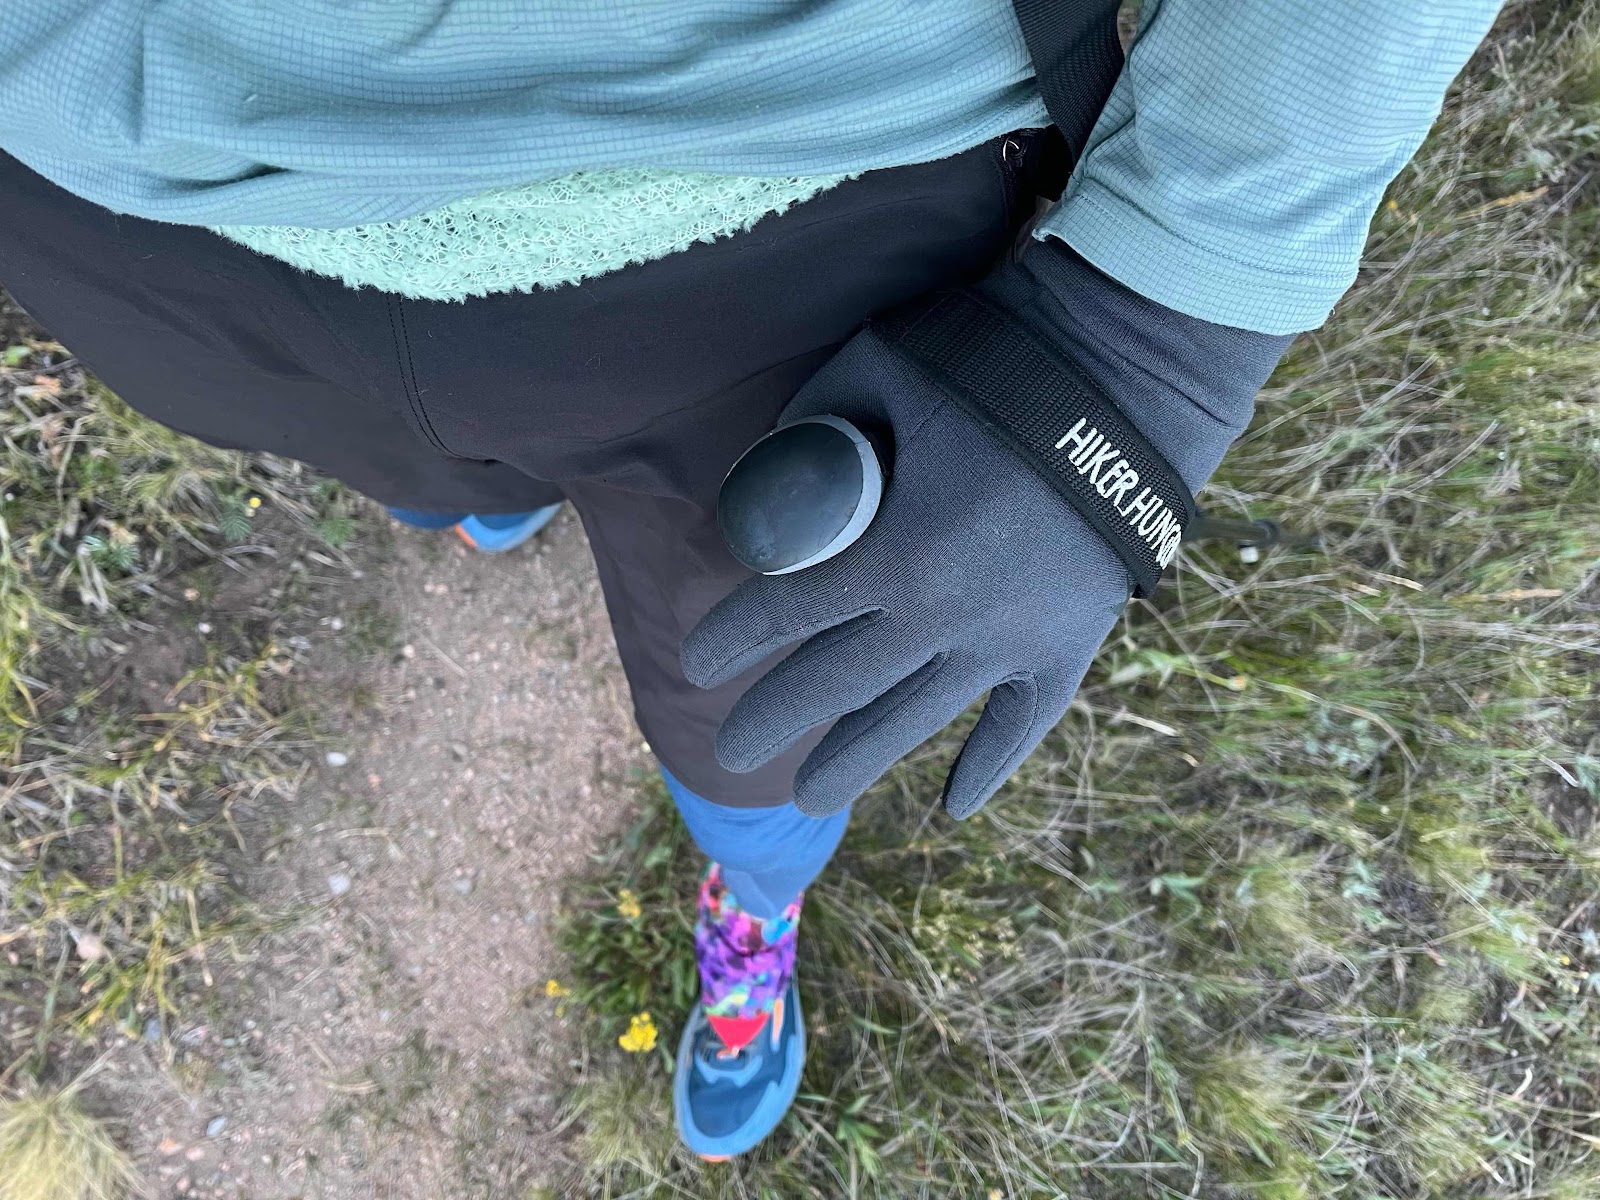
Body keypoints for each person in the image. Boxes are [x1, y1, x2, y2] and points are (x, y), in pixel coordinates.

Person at [0, 0, 1500, 1161]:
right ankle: (493, 488)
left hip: (775, 180)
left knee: (765, 710)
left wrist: (1153, 321)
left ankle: (754, 901)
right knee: (401, 454)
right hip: (110, 179)